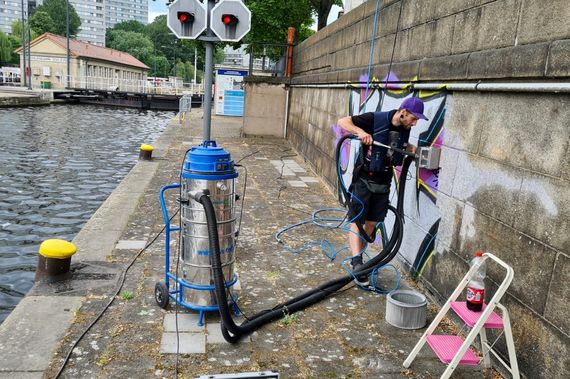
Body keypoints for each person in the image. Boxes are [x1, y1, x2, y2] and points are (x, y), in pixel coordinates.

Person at [337, 97, 428, 280]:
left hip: (384, 181)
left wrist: (414, 150)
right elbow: (342, 121)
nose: (415, 122)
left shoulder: (404, 129)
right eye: (413, 118)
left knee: (372, 222)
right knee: (357, 220)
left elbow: (397, 145)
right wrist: (360, 132)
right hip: (364, 178)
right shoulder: (375, 119)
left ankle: (360, 260)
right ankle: (356, 261)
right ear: (403, 112)